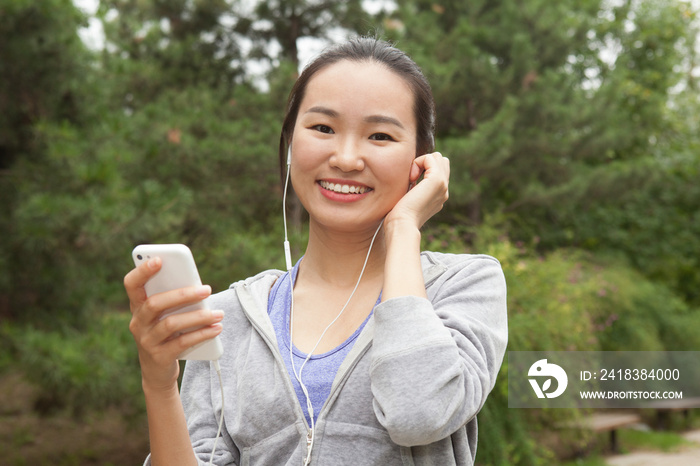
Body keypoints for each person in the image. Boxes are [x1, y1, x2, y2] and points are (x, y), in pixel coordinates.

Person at [124, 37, 508, 466]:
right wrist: (158, 385)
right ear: (290, 144)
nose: (345, 158)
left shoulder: (465, 286)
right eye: (323, 128)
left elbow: (417, 413)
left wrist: (403, 228)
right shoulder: (226, 319)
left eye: (380, 135)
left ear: (421, 161)